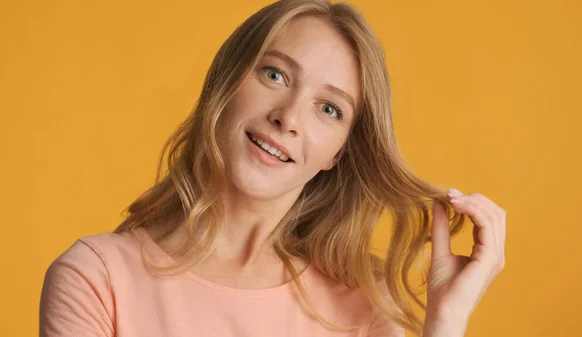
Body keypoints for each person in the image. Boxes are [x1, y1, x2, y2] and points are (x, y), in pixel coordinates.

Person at [39, 0, 506, 336]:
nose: (288, 118)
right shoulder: (95, 279)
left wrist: (445, 324)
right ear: (226, 80)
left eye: (329, 109)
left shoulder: (365, 304)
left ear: (338, 153)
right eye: (275, 74)